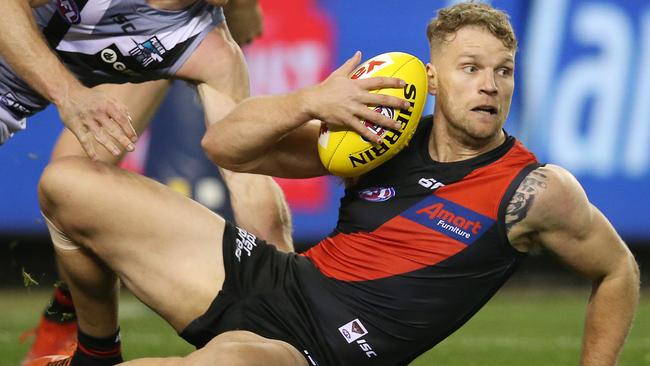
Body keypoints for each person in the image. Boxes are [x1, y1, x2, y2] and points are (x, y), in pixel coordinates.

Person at [37, 2, 640, 365]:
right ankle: (95, 347)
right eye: (471, 69)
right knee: (66, 186)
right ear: (433, 79)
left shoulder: (532, 191)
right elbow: (224, 146)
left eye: (503, 72)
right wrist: (311, 101)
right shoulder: (382, 133)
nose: (490, 85)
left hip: (314, 352)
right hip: (273, 279)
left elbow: (618, 271)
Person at [1, 0, 293, 363]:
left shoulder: (211, 51)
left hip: (29, 88)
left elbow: (250, 179)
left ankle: (90, 346)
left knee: (73, 184)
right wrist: (69, 95)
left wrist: (294, 304)